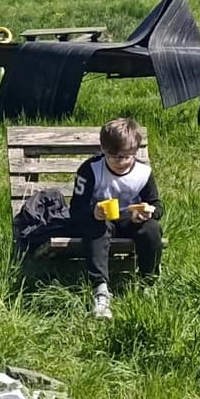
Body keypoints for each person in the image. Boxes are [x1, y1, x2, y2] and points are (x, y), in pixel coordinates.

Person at [69, 115, 163, 321]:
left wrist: (149, 212)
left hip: (131, 220)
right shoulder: (91, 170)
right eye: (114, 156)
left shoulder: (143, 172)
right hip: (100, 220)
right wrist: (92, 212)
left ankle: (148, 283)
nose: (120, 161)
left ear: (135, 152)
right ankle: (100, 291)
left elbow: (157, 206)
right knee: (97, 227)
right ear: (103, 150)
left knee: (151, 228)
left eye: (126, 156)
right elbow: (76, 209)